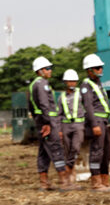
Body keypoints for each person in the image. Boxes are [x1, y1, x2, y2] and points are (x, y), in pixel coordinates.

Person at [28, 56, 73, 191]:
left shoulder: (33, 85)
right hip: (48, 122)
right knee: (56, 149)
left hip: (41, 121)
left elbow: (31, 107)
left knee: (44, 152)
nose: (50, 71)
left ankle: (44, 183)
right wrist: (47, 123)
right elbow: (44, 104)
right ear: (40, 71)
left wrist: (40, 121)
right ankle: (64, 182)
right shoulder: (42, 84)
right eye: (47, 68)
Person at [80, 53, 110, 192]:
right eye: (97, 67)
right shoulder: (85, 85)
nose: (101, 69)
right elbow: (88, 106)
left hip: (103, 122)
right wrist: (94, 124)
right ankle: (96, 183)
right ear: (89, 70)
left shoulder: (98, 83)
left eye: (101, 67)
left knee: (107, 152)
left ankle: (105, 181)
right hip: (97, 121)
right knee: (97, 151)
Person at [59, 69, 85, 186]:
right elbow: (58, 114)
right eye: (70, 81)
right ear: (66, 82)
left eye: (74, 81)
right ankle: (71, 176)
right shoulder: (61, 97)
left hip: (78, 125)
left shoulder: (81, 94)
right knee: (67, 149)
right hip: (65, 126)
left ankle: (67, 168)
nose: (72, 83)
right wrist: (59, 130)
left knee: (75, 147)